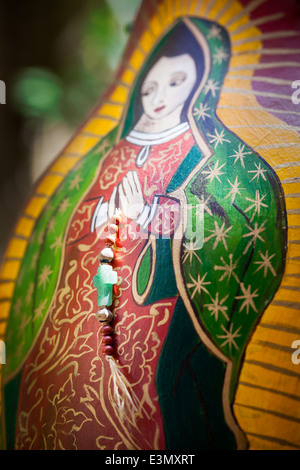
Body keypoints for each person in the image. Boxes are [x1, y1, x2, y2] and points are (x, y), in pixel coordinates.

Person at [2, 18, 286, 450]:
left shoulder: (217, 158)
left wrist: (152, 214)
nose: (159, 98)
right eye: (150, 88)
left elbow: (237, 222)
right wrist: (102, 214)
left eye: (176, 83)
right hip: (73, 322)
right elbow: (62, 222)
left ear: (201, 87)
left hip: (151, 325)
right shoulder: (102, 154)